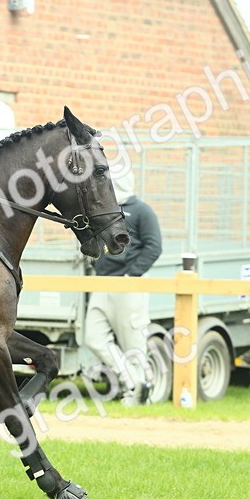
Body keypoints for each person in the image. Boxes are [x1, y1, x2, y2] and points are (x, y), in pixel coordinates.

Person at [85, 170, 162, 405]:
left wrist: (132, 274)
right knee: (93, 337)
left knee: (133, 343)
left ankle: (140, 396)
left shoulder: (142, 211)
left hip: (129, 288)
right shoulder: (105, 212)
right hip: (102, 284)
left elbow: (153, 246)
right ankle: (132, 383)